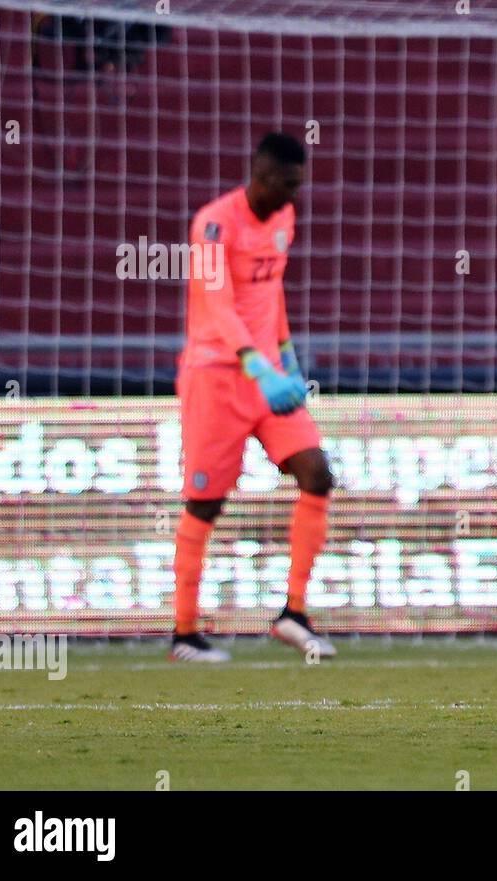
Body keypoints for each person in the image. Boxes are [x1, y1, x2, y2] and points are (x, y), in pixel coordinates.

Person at [170, 133, 336, 662]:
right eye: (287, 185)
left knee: (317, 473)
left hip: (269, 376)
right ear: (260, 177)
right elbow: (216, 306)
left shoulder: (284, 218)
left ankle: (293, 612)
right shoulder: (214, 225)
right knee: (205, 502)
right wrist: (257, 366)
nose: (293, 196)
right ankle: (184, 633)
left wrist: (285, 354)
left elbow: (271, 292)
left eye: (299, 186)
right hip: (217, 377)